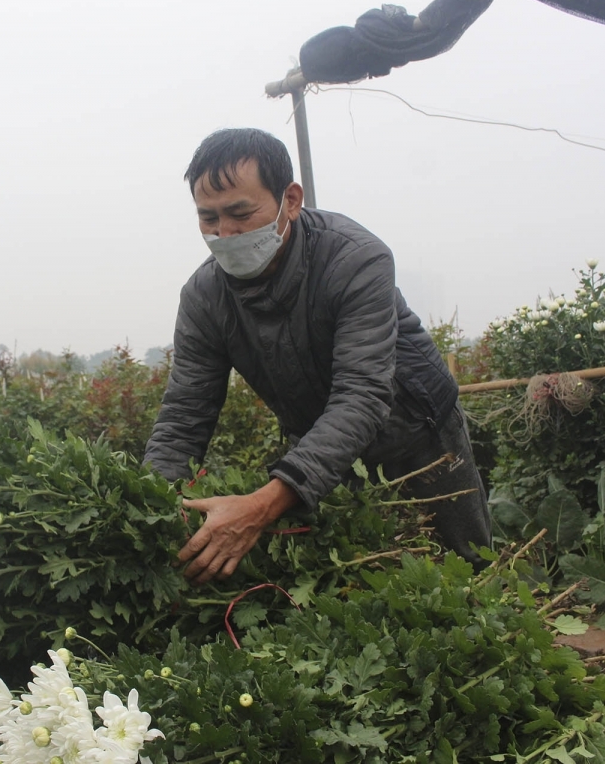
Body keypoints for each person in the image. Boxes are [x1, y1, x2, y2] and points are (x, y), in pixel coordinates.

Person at [143, 128, 491, 584]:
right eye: (208, 219)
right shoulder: (205, 296)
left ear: (290, 199)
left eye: (240, 214)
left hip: (418, 436)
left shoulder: (355, 260)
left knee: (466, 575)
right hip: (318, 448)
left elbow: (363, 396)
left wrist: (262, 504)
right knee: (355, 578)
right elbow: (185, 414)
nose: (224, 234)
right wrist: (147, 507)